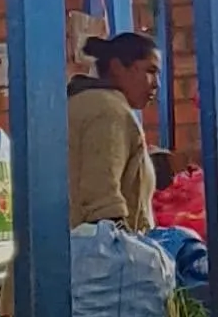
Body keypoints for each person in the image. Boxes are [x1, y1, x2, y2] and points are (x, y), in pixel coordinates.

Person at [66, 30, 162, 225]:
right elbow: (102, 204)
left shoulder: (85, 102)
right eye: (150, 71)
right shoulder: (108, 111)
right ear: (117, 67)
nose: (156, 84)